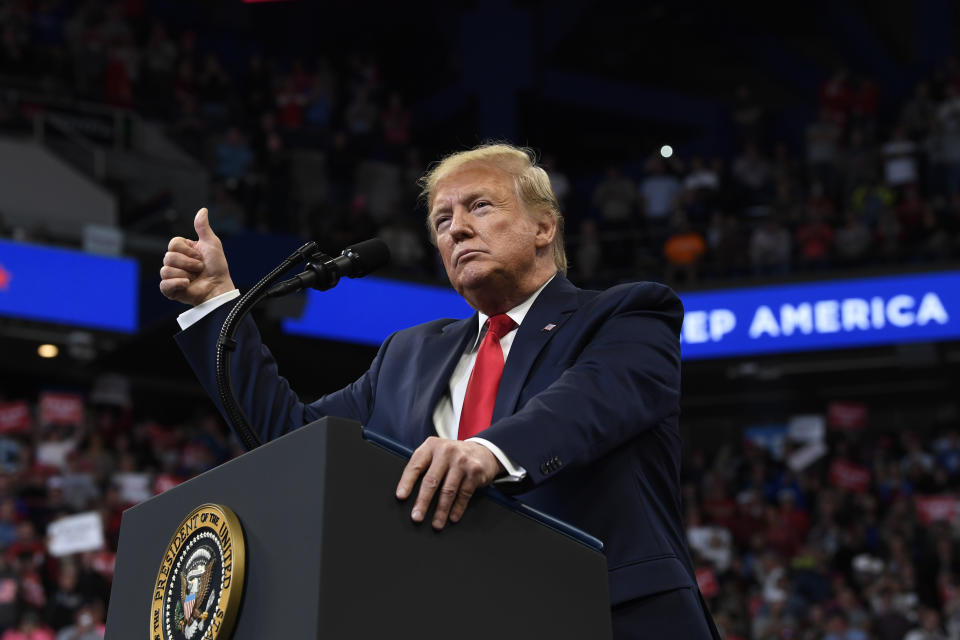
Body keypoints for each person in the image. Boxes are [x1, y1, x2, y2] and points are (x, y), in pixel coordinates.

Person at [160, 143, 718, 639]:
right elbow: (291, 441)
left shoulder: (627, 314)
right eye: (441, 220)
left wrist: (487, 451)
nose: (456, 229)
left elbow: (591, 400)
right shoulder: (407, 354)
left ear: (545, 226)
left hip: (606, 615)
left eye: (480, 206)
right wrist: (216, 304)